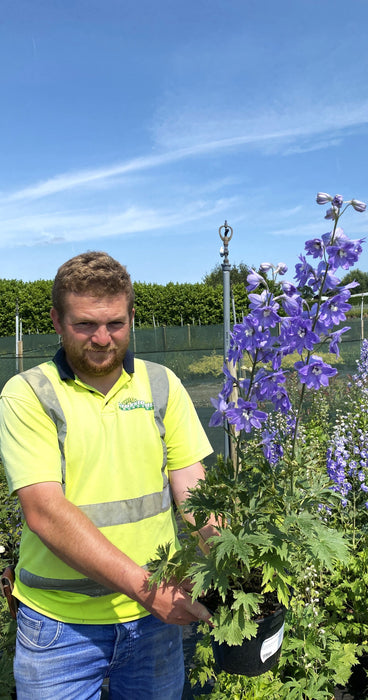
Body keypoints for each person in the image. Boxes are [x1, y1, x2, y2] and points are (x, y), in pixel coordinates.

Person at [0, 251, 216, 699]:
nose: (102, 339)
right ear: (57, 322)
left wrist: (230, 562)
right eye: (85, 325)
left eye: (115, 324)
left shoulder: (161, 384)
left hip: (153, 625)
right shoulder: (28, 395)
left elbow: (194, 490)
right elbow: (45, 512)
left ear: (131, 317)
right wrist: (147, 589)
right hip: (60, 630)